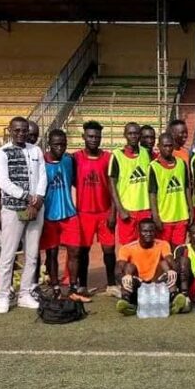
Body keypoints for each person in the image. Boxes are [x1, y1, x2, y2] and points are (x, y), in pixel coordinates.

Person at [0, 116, 48, 313]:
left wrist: (39, 197)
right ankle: (3, 296)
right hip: (13, 208)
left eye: (24, 130)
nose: (21, 133)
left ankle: (25, 293)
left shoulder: (35, 150)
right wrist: (27, 197)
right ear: (10, 130)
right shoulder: (2, 153)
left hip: (37, 207)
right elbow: (4, 183)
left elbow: (42, 176)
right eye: (16, 130)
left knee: (32, 254)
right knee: (8, 254)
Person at [39, 129, 88, 302]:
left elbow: (75, 181)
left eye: (63, 144)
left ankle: (73, 286)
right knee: (51, 254)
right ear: (49, 144)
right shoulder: (41, 162)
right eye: (56, 144)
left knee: (75, 251)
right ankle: (55, 286)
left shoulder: (69, 160)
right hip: (49, 216)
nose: (60, 147)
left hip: (69, 213)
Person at [73, 121, 117, 293]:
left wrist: (113, 212)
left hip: (104, 212)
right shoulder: (76, 158)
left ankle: (112, 285)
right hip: (84, 213)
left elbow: (114, 187)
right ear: (83, 137)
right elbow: (73, 181)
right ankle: (82, 285)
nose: (94, 140)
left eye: (97, 137)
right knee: (84, 250)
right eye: (90, 136)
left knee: (109, 249)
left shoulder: (108, 158)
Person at [113, 218, 188, 315]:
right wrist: (123, 278)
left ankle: (174, 296)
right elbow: (118, 269)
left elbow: (170, 260)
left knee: (165, 264)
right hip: (138, 284)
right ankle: (126, 301)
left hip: (156, 283)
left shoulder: (163, 244)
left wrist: (172, 270)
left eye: (151, 231)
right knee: (128, 267)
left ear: (155, 232)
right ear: (138, 232)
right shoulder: (127, 248)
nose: (148, 233)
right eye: (145, 231)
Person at [108, 122, 152, 249]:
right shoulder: (117, 155)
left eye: (136, 133)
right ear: (125, 135)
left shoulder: (145, 153)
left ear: (140, 136)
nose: (133, 136)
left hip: (145, 208)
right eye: (130, 133)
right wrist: (119, 209)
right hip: (127, 210)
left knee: (145, 245)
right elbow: (112, 184)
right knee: (128, 247)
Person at [149, 132, 191, 248]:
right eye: (165, 145)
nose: (168, 148)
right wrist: (156, 216)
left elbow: (187, 187)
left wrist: (190, 210)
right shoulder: (154, 166)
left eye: (170, 145)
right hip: (164, 217)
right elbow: (152, 193)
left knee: (178, 250)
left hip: (181, 216)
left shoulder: (181, 163)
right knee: (164, 251)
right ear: (159, 146)